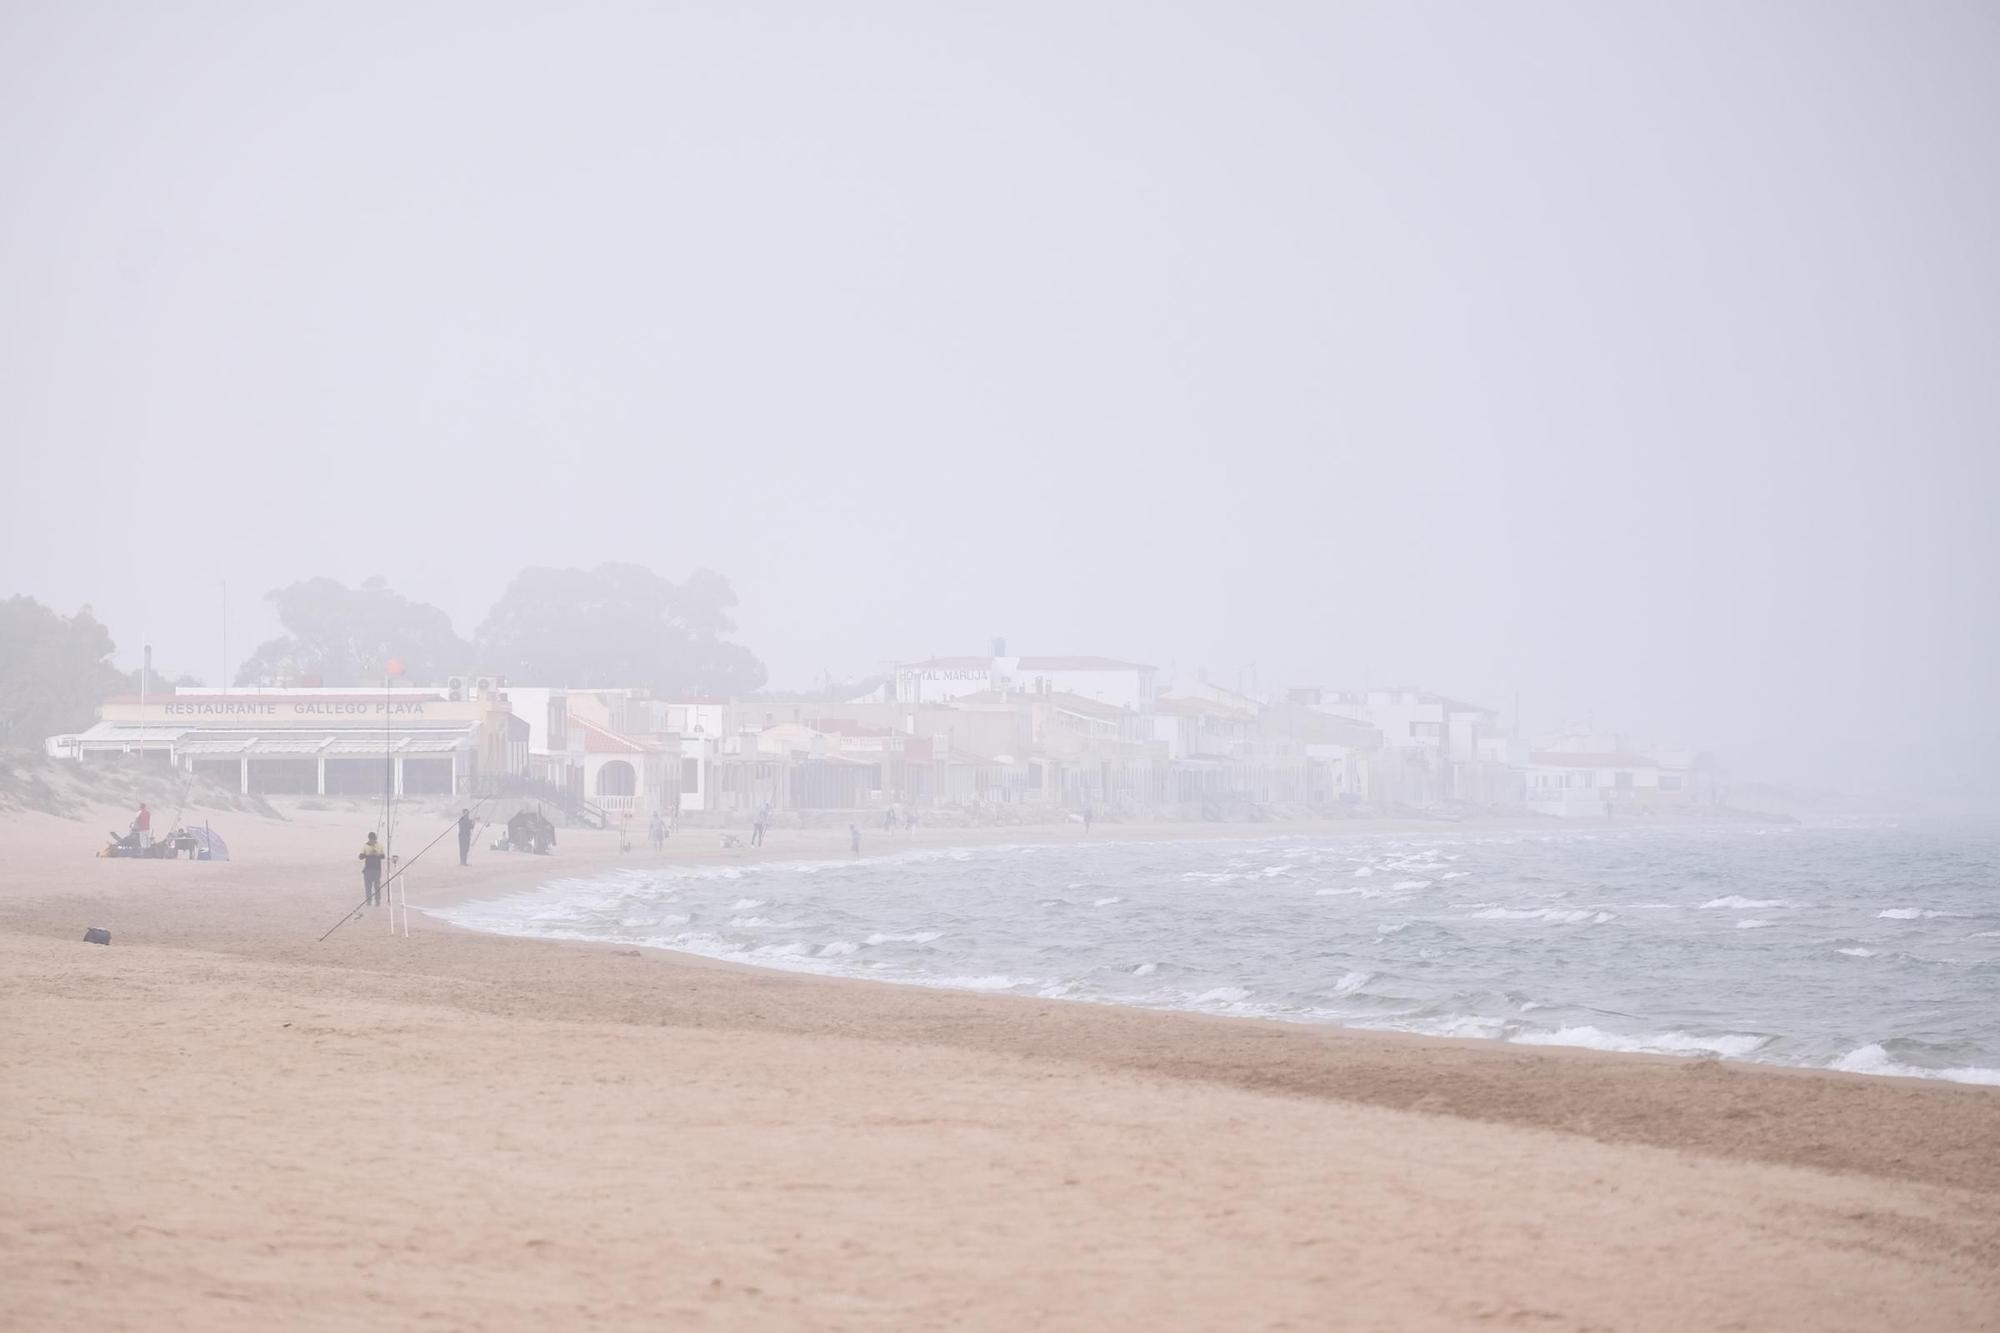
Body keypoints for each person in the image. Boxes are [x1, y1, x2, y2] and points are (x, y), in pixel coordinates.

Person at [359, 832, 387, 906]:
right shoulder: (365, 845)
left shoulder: (380, 845)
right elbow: (360, 857)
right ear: (369, 839)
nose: (373, 841)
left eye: (374, 840)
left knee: (377, 886)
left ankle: (377, 902)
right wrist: (368, 854)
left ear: (375, 839)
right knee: (368, 887)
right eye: (371, 840)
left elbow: (383, 856)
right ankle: (369, 902)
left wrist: (377, 854)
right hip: (368, 869)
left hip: (377, 869)